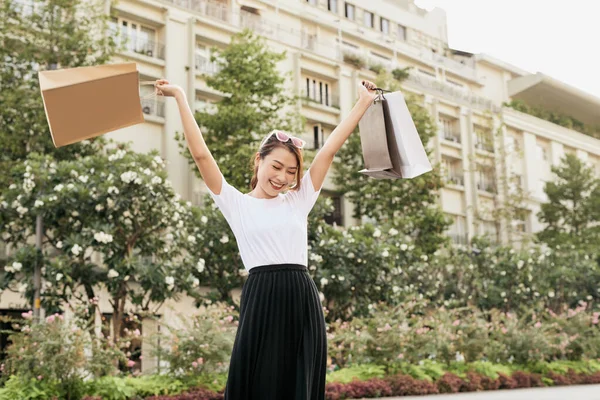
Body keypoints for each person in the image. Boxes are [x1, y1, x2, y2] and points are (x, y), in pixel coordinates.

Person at [154, 78, 378, 399]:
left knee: (298, 380)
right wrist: (178, 96)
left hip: (300, 295)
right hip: (261, 296)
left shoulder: (298, 200)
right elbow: (202, 156)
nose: (282, 177)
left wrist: (363, 103)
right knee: (259, 380)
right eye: (276, 166)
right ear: (258, 161)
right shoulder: (236, 203)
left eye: (291, 172)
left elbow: (328, 150)